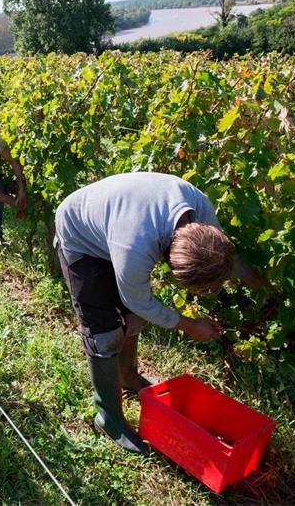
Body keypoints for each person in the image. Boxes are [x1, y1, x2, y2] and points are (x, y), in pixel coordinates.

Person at [54, 172, 269, 453]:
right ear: (169, 257)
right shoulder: (135, 246)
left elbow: (230, 262)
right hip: (79, 236)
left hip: (114, 225)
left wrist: (264, 286)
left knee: (132, 321)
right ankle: (108, 417)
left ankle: (128, 376)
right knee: (104, 333)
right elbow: (138, 300)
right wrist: (190, 325)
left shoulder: (200, 209)